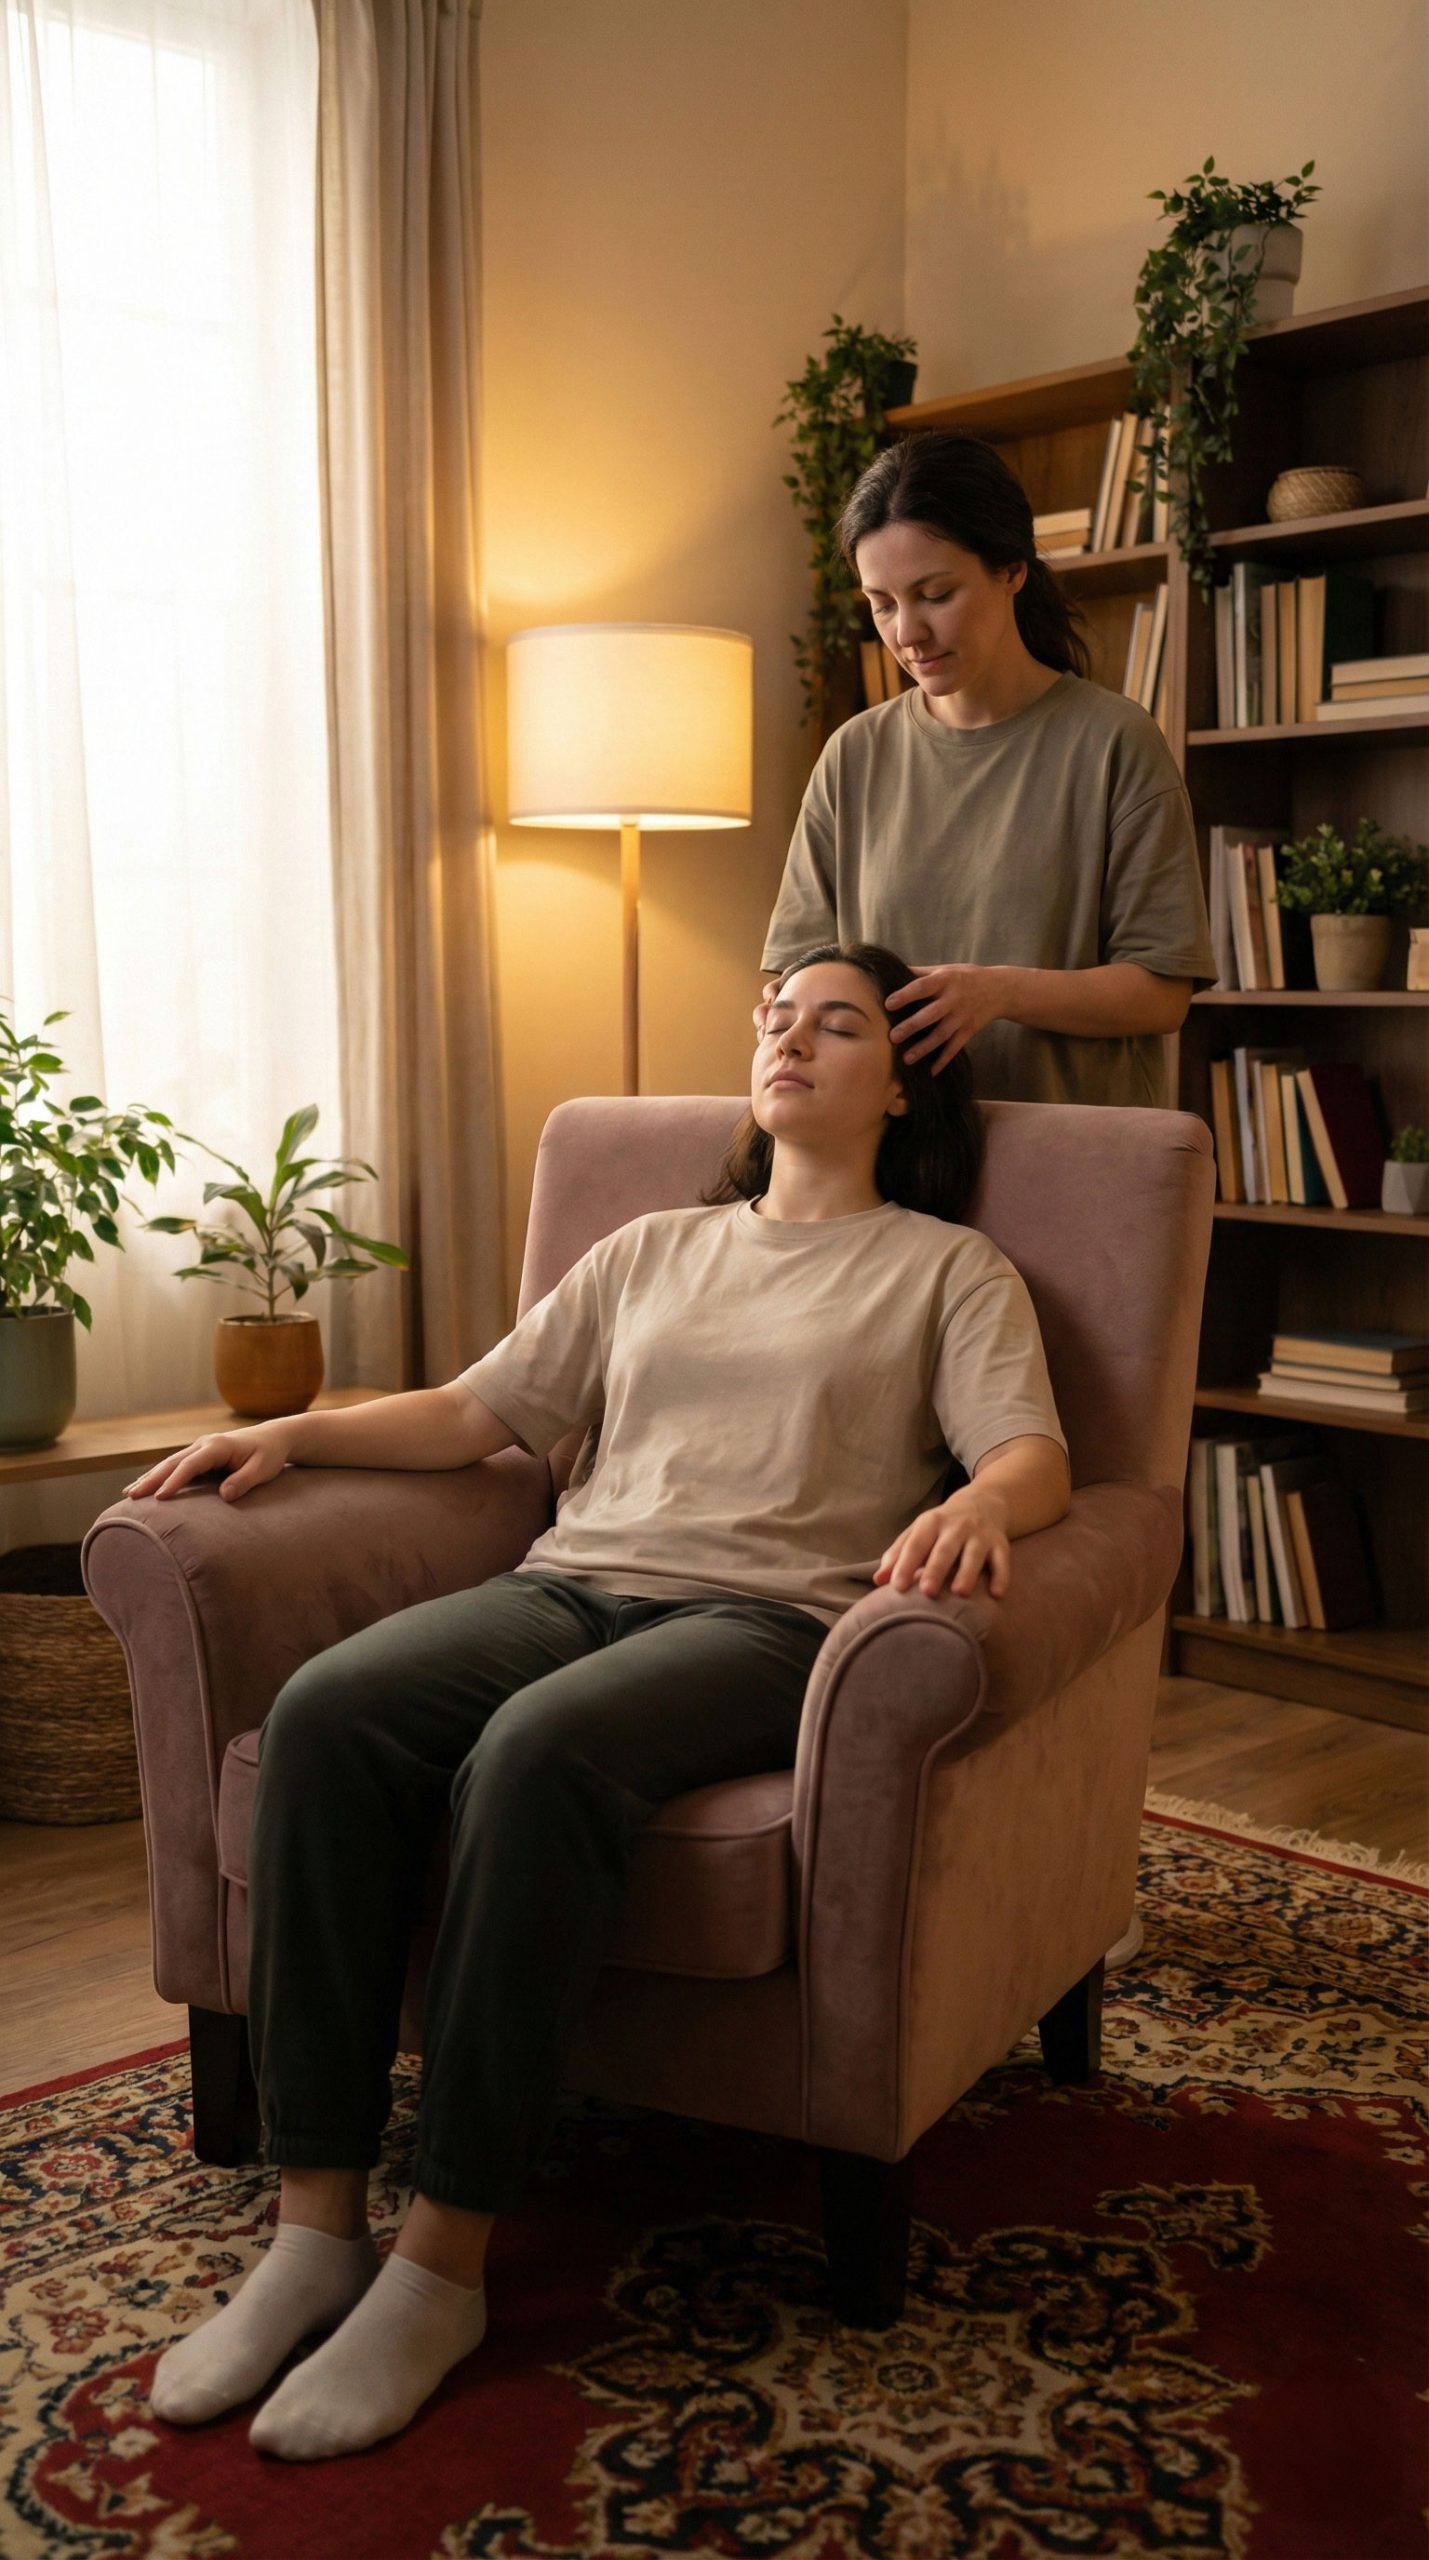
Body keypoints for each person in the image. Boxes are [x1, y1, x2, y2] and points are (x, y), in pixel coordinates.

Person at [123, 942, 1069, 2463]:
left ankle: (441, 2267)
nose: (791, 1040)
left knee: (538, 1751)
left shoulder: (943, 1268)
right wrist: (302, 1432)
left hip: (766, 1622)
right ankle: (314, 2230)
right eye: (776, 1017)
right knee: (324, 1715)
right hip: (568, 1582)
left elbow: (1030, 1449)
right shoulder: (651, 1248)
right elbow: (481, 1413)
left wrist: (992, 1508)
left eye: (837, 1025)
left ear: (904, 1085)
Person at [758, 431, 1217, 1105]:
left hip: (1062, 1156)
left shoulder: (1112, 741)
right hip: (888, 1163)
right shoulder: (853, 755)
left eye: (935, 594)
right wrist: (781, 1009)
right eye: (881, 604)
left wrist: (998, 992)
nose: (906, 633)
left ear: (1011, 571)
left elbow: (1160, 995)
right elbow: (790, 972)